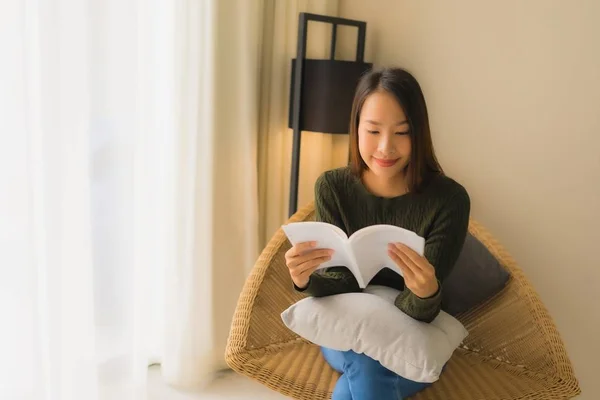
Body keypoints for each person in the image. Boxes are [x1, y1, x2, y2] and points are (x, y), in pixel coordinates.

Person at [284, 67, 470, 400]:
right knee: (363, 356)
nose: (385, 147)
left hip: (413, 332)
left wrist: (426, 292)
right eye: (372, 130)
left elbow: (420, 312)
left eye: (402, 132)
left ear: (419, 134)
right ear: (356, 129)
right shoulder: (333, 188)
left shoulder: (448, 200)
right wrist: (305, 279)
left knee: (360, 373)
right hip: (347, 327)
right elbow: (338, 283)